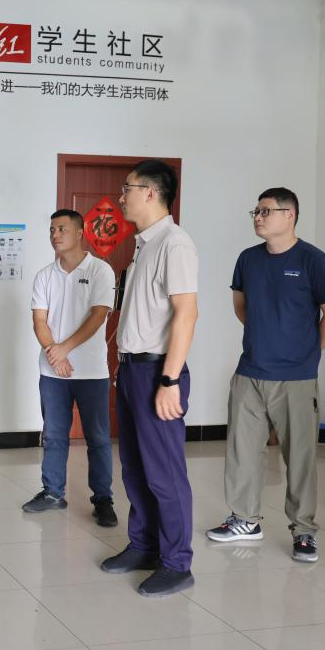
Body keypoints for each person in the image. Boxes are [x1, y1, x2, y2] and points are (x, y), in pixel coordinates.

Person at [206, 188, 325, 563]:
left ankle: (304, 531)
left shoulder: (314, 260)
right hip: (250, 372)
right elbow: (241, 305)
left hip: (296, 378)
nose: (258, 217)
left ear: (290, 215)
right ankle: (244, 520)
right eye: (256, 211)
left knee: (299, 458)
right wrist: (265, 336)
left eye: (266, 211)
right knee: (242, 452)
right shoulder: (248, 259)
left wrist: (308, 353)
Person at [99, 160, 199, 598]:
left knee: (164, 472)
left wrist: (170, 380)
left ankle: (176, 563)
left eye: (128, 189)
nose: (121, 197)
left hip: (159, 371)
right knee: (136, 467)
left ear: (152, 193)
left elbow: (186, 314)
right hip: (133, 369)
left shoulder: (175, 244)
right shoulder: (144, 244)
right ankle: (143, 545)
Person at [22, 209, 117, 526]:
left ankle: (103, 499)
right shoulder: (44, 275)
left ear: (80, 232)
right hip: (52, 372)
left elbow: (98, 315)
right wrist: (55, 354)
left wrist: (64, 349)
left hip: (91, 372)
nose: (55, 234)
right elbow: (39, 320)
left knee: (98, 438)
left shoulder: (101, 270)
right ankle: (52, 493)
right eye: (52, 229)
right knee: (53, 435)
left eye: (62, 228)